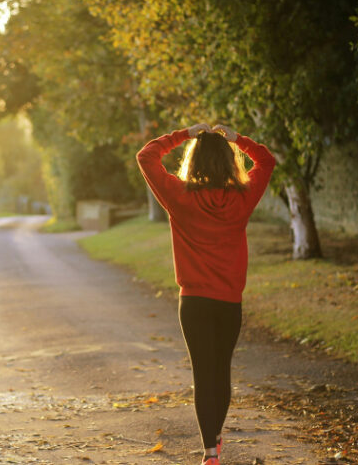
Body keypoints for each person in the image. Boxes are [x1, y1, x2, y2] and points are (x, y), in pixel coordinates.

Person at [136, 122, 276, 465]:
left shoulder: (179, 197)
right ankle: (214, 434)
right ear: (229, 162)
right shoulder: (242, 198)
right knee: (221, 370)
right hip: (229, 302)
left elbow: (147, 156)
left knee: (203, 373)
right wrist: (237, 139)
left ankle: (210, 452)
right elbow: (267, 161)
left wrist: (184, 134)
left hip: (194, 302)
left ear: (194, 161)